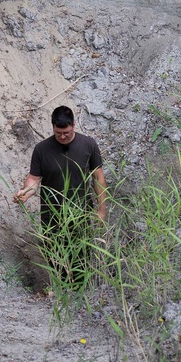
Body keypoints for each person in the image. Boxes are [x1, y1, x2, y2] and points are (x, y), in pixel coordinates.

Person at [13, 106, 107, 287]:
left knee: (81, 256)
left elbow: (98, 178)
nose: (62, 137)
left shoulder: (88, 145)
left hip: (81, 212)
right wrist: (25, 192)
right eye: (58, 133)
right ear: (52, 127)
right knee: (55, 256)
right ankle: (60, 290)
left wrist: (101, 210)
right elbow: (34, 179)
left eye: (66, 132)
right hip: (52, 215)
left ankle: (81, 292)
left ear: (73, 125)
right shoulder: (41, 149)